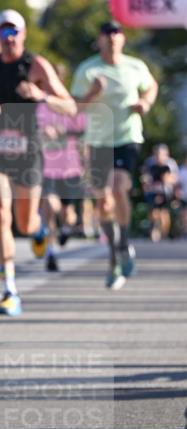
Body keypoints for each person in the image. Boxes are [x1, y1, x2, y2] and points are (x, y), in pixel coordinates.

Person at [0, 9, 76, 315]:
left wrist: (40, 95)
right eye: (3, 33)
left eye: (14, 33)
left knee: (24, 222)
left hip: (27, 150)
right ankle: (9, 289)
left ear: (23, 35)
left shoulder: (35, 65)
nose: (9, 39)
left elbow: (71, 107)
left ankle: (37, 231)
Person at [72, 20, 158, 289]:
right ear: (99, 40)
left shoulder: (135, 67)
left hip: (126, 137)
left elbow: (151, 86)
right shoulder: (88, 69)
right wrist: (92, 93)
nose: (111, 38)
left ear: (122, 39)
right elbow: (75, 107)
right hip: (97, 141)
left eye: (116, 34)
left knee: (119, 188)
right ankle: (114, 255)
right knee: (102, 200)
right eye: (106, 34)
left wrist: (145, 102)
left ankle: (123, 241)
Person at [36, 63, 89, 271]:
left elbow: (83, 129)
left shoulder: (69, 105)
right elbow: (31, 132)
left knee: (68, 214)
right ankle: (51, 252)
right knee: (49, 206)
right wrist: (43, 133)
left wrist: (63, 132)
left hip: (70, 167)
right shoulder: (39, 106)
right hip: (47, 167)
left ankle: (66, 229)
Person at [141, 143, 178, 242]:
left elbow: (174, 179)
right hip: (153, 190)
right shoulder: (149, 163)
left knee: (164, 213)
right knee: (153, 211)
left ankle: (164, 233)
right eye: (156, 154)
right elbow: (145, 176)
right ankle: (154, 228)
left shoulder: (170, 163)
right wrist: (145, 183)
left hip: (165, 191)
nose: (158, 156)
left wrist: (167, 179)